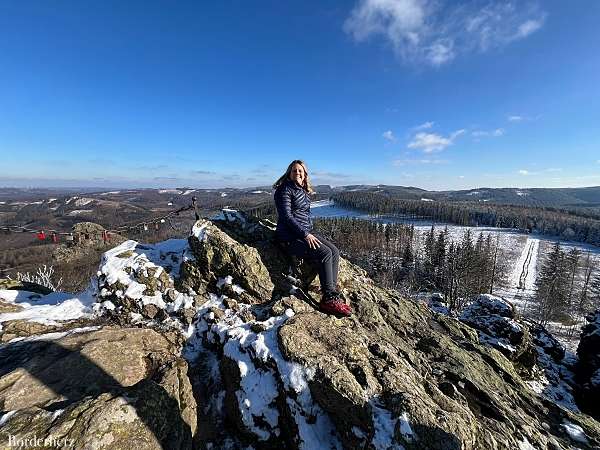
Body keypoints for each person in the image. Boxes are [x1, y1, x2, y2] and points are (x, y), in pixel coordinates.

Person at [273, 160, 352, 317]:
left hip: (303, 233)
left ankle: (332, 292)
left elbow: (302, 215)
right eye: (294, 170)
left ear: (305, 174)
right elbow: (286, 216)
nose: (297, 173)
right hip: (288, 237)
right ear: (289, 173)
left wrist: (307, 232)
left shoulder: (302, 190)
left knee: (334, 251)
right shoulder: (284, 190)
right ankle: (328, 299)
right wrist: (305, 234)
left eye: (300, 171)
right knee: (324, 253)